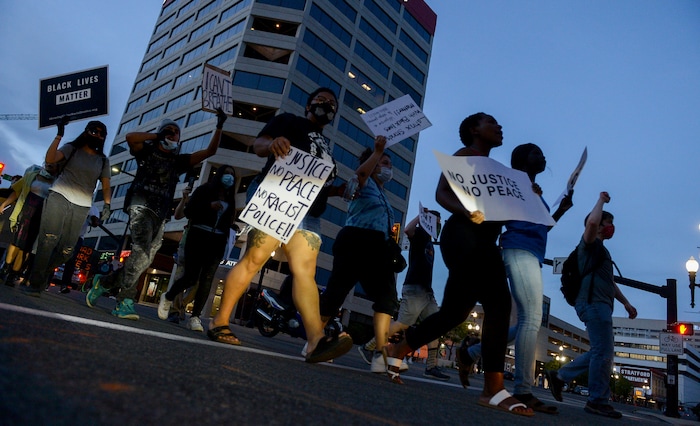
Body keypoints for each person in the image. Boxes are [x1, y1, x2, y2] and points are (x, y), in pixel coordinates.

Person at [383, 113, 533, 417]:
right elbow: (442, 194)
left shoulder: (496, 170)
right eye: (491, 122)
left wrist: (525, 198)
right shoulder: (467, 155)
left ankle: (398, 348)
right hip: (464, 237)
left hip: (484, 242)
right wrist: (470, 213)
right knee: (499, 303)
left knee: (454, 313)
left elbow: (497, 213)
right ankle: (493, 388)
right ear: (474, 130)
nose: (499, 126)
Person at [207, 87, 353, 364]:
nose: (327, 105)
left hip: (309, 210)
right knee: (254, 259)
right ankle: (220, 320)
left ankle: (315, 341)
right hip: (278, 195)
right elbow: (260, 145)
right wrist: (273, 144)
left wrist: (339, 191)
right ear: (309, 104)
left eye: (332, 104)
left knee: (305, 273)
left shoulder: (325, 146)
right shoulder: (289, 121)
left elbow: (323, 185)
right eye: (321, 100)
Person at [458, 143, 574, 413]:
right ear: (522, 160)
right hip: (517, 249)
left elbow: (542, 226)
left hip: (532, 252)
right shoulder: (512, 183)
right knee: (532, 318)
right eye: (536, 153)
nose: (543, 156)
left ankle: (472, 352)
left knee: (525, 322)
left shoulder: (535, 192)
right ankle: (523, 390)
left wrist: (561, 210)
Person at [86, 108, 227, 319]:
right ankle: (124, 300)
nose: (171, 135)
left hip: (160, 215)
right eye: (167, 131)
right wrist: (156, 136)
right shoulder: (147, 151)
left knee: (144, 259)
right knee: (141, 251)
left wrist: (219, 125)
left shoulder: (179, 161)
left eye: (175, 133)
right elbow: (130, 137)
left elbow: (210, 152)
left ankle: (104, 282)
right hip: (140, 206)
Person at [546, 192, 637, 419]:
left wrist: (626, 303)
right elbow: (593, 222)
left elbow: (610, 282)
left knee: (601, 351)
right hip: (593, 304)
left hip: (601, 305)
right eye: (609, 223)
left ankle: (559, 377)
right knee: (603, 352)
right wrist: (601, 200)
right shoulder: (588, 244)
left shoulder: (602, 251)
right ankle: (597, 400)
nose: (611, 227)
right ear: (595, 226)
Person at [318, 136, 399, 369]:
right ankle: (315, 339)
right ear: (372, 163)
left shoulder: (384, 195)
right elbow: (361, 175)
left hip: (378, 247)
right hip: (355, 240)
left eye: (389, 164)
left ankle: (380, 354)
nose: (388, 167)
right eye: (384, 163)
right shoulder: (362, 183)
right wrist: (377, 152)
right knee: (337, 292)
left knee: (387, 298)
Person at [23, 117, 111, 296]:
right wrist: (59, 135)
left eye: (102, 134)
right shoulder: (72, 149)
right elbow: (50, 158)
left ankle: (42, 272)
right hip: (59, 196)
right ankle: (35, 284)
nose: (98, 135)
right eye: (94, 131)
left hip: (82, 205)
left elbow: (106, 185)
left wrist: (108, 205)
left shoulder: (103, 160)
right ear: (86, 131)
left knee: (67, 250)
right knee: (48, 239)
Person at [358, 210, 450, 380]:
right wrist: (421, 217)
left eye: (439, 222)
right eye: (436, 221)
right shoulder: (420, 234)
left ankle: (431, 366)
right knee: (403, 323)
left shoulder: (429, 240)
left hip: (427, 291)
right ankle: (369, 346)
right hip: (414, 288)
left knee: (436, 326)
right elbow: (407, 230)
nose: (438, 224)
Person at [157, 165, 237, 332]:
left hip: (217, 241)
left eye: (232, 175)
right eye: (226, 174)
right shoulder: (204, 190)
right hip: (198, 236)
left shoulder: (230, 197)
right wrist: (209, 206)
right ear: (219, 175)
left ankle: (195, 317)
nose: (229, 177)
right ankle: (169, 296)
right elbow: (189, 211)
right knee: (191, 276)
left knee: (207, 280)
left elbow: (229, 221)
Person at [0, 163, 58, 286]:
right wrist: (4, 205)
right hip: (25, 211)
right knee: (16, 242)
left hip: (41, 216)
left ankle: (13, 273)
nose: (51, 166)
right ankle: (6, 267)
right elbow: (16, 191)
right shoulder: (32, 175)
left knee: (26, 248)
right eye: (50, 163)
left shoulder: (57, 183)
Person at [59, 205, 100, 293]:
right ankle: (45, 280)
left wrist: (93, 218)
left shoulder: (93, 208)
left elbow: (95, 223)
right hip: (64, 233)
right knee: (56, 255)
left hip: (78, 237)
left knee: (71, 260)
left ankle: (64, 284)